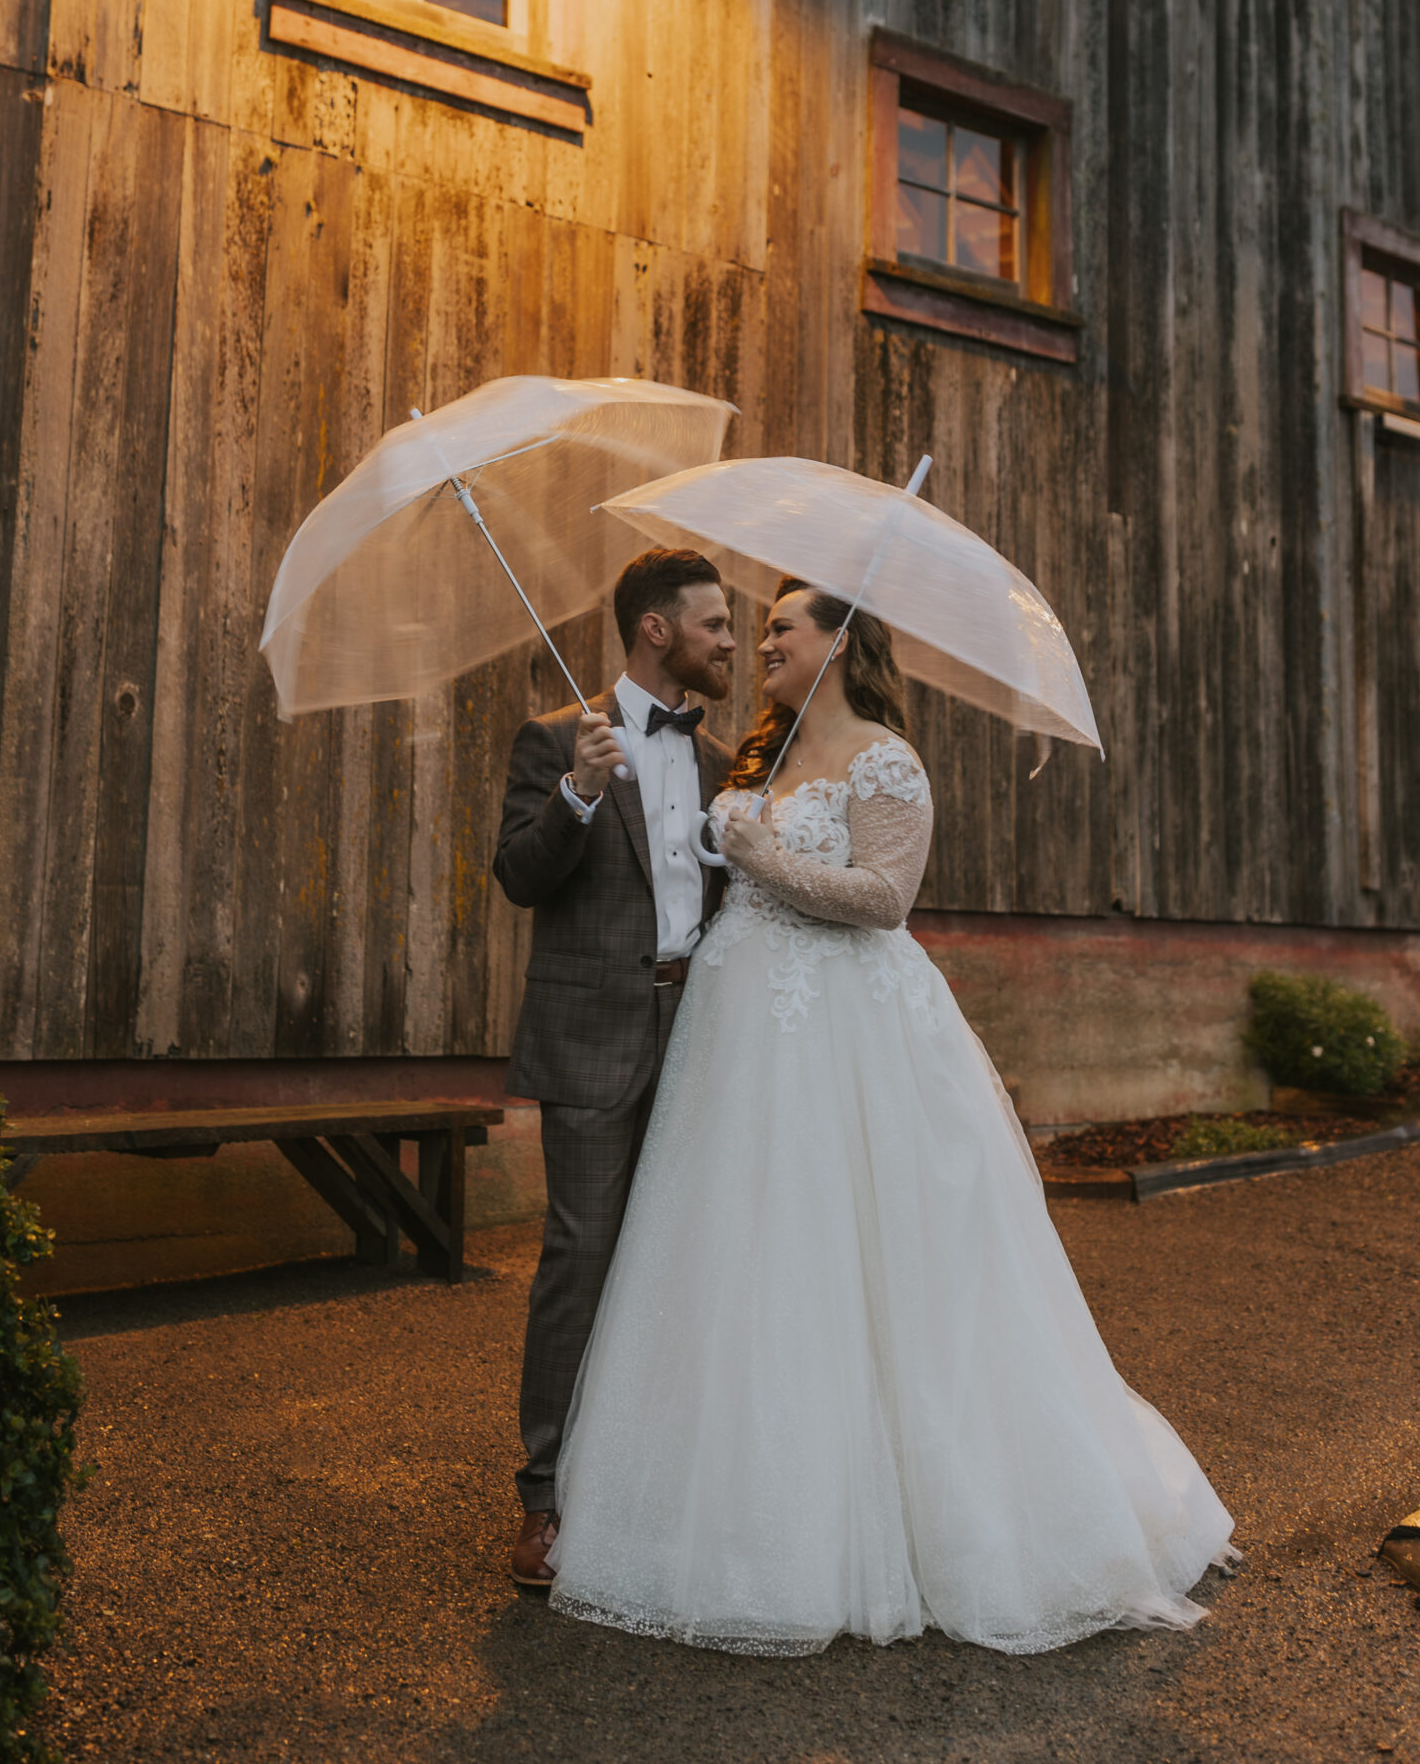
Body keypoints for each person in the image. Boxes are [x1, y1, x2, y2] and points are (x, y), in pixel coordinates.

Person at [545, 580, 1237, 1654]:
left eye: (780, 624)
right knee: (744, 1264)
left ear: (840, 642)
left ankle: (916, 1523)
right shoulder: (761, 756)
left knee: (867, 1257)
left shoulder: (885, 757)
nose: (760, 639)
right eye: (754, 624)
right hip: (738, 1045)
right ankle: (728, 1512)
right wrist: (740, 829)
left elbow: (885, 897)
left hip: (843, 1036)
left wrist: (758, 851)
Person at [492, 547, 736, 1590]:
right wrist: (580, 794)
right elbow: (518, 874)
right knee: (581, 1256)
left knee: (685, 1264)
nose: (730, 639)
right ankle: (545, 1497)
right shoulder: (556, 739)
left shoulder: (728, 762)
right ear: (655, 630)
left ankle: (655, 1481)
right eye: (716, 622)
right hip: (593, 1030)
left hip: (705, 1030)